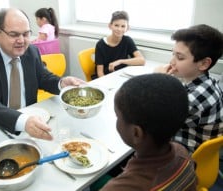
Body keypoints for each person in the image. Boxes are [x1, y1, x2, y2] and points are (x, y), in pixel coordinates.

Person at [0, 8, 84, 140]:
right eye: (14, 34)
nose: (21, 40)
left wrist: (61, 83)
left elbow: (42, 77)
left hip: (28, 123)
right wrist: (22, 121)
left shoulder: (31, 52)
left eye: (26, 34)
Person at [99, 73, 197, 191]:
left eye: (117, 117)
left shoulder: (118, 188)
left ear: (136, 133)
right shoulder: (182, 152)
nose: (117, 120)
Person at [154, 24, 223, 153]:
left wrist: (157, 80)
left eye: (180, 57)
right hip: (197, 143)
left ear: (204, 63)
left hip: (185, 154)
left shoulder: (193, 99)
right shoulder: (208, 82)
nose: (172, 62)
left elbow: (154, 117)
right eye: (173, 54)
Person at [94, 11, 145, 79]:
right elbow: (100, 73)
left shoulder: (127, 40)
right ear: (110, 26)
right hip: (106, 78)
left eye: (123, 26)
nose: (119, 29)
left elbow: (142, 61)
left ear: (127, 28)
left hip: (120, 76)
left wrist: (120, 61)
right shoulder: (101, 44)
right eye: (116, 25)